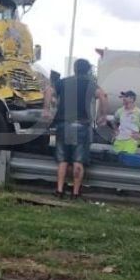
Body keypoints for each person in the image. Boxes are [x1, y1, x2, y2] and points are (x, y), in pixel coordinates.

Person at [52, 58, 107, 199]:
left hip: (63, 124)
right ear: (88, 70)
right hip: (81, 125)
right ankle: (75, 193)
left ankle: (59, 191)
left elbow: (48, 91)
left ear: (74, 69)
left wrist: (47, 108)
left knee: (63, 161)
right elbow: (103, 95)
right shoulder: (90, 84)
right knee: (78, 161)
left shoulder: (63, 82)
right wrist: (102, 115)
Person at [110, 90, 140, 155]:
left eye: (126, 96)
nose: (123, 98)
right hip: (119, 140)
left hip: (131, 140)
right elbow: (113, 121)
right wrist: (116, 130)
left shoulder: (139, 112)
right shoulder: (119, 111)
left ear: (132, 99)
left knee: (127, 158)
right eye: (123, 97)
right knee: (116, 160)